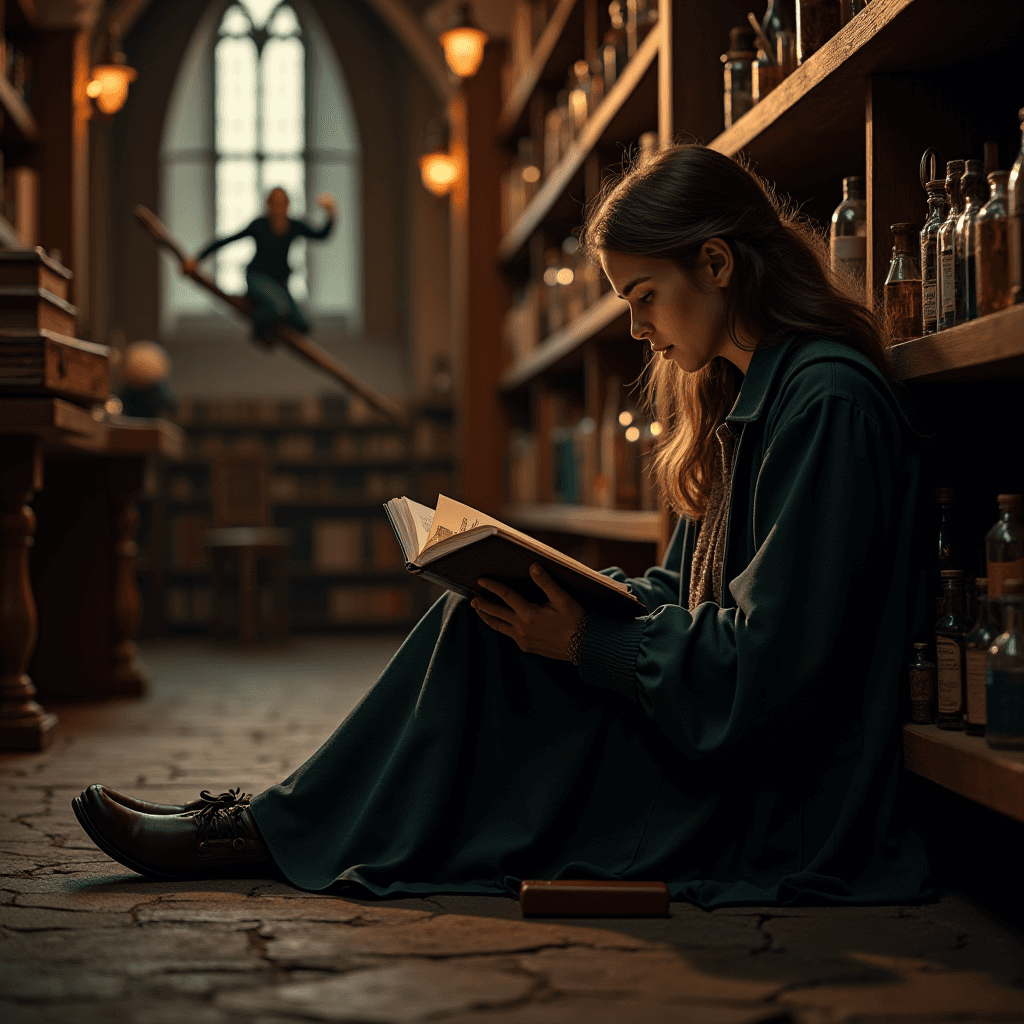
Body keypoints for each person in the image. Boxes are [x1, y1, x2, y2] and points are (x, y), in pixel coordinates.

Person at [73, 145, 930, 907]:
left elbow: (772, 676)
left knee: (488, 652)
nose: (636, 327)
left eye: (644, 296)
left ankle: (264, 831)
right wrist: (570, 592)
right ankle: (275, 825)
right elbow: (684, 590)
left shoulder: (825, 404)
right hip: (711, 726)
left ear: (715, 263)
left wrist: (590, 643)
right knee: (486, 615)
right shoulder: (745, 396)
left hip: (779, 798)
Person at [182, 187, 336, 340]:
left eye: (282, 203)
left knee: (303, 325)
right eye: (274, 203)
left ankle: (265, 323)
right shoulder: (259, 225)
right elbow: (226, 240)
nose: (278, 207)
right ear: (268, 205)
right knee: (280, 308)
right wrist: (197, 259)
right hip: (258, 278)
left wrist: (330, 213)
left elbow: (321, 234)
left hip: (280, 285)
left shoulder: (294, 226)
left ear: (288, 205)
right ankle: (257, 318)